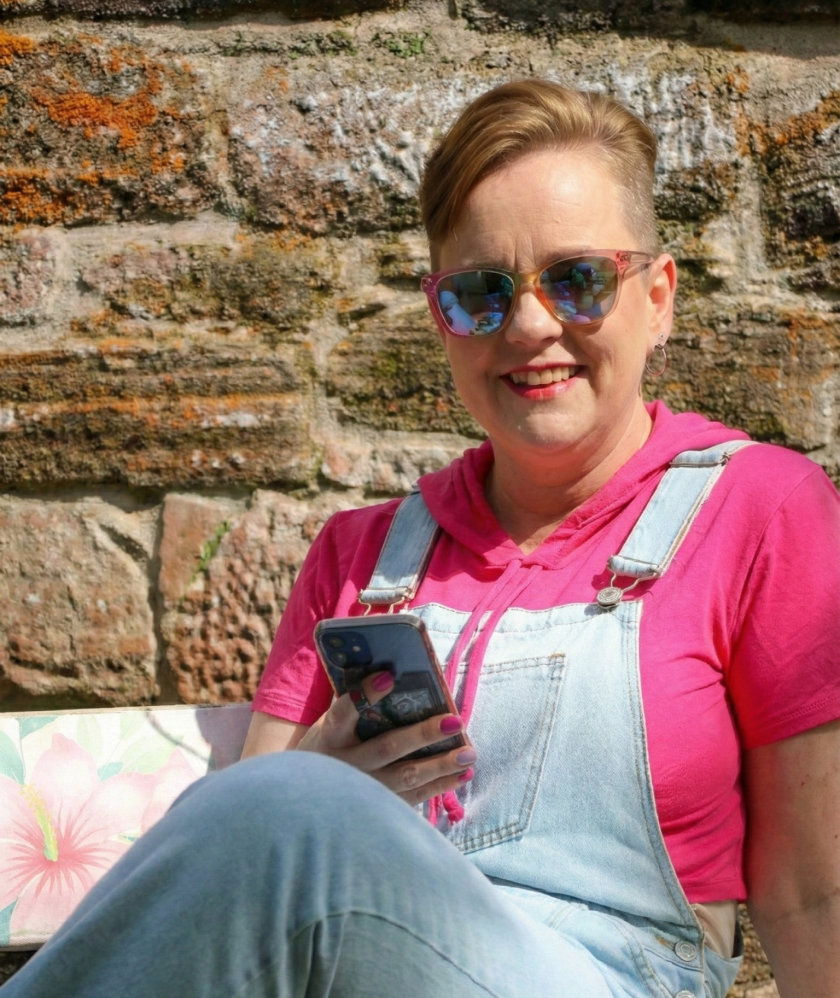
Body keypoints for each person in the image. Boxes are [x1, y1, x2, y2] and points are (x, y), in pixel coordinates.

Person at [4, 79, 839, 998]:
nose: (530, 325)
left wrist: (305, 805)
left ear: (659, 297)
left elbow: (813, 895)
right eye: (481, 294)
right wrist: (324, 778)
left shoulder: (759, 511)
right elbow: (243, 866)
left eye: (578, 279)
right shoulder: (361, 557)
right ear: (440, 315)